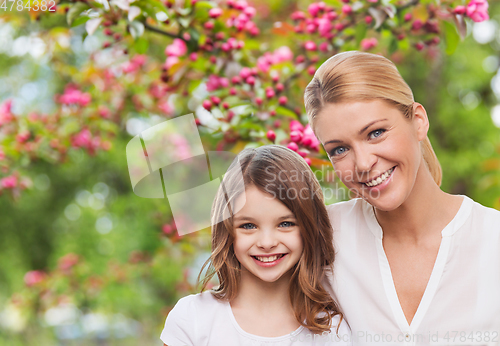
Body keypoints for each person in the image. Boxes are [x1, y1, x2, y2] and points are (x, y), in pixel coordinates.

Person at [304, 51, 500, 345]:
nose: (363, 163)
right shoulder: (321, 239)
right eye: (339, 150)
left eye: (376, 133)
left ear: (418, 121)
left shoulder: (492, 239)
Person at [160, 145, 352, 345]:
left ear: (309, 227)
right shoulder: (193, 319)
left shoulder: (333, 331)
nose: (267, 243)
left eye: (285, 224)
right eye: (248, 226)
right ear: (227, 231)